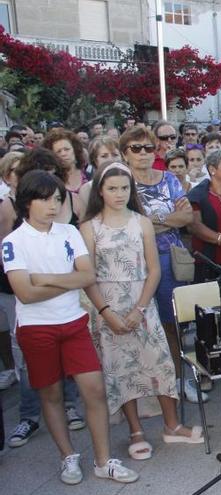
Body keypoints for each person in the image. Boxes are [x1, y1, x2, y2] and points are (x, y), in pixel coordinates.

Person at [2, 170, 139, 485]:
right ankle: (68, 456)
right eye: (44, 199)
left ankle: (103, 460)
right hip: (37, 328)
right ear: (27, 201)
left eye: (56, 199)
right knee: (50, 394)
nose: (52, 206)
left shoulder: (69, 233)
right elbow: (25, 293)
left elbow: (87, 276)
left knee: (94, 389)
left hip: (73, 322)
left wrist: (46, 279)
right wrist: (68, 282)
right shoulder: (13, 242)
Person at [80, 163, 203, 461]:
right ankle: (135, 430)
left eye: (125, 188)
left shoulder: (142, 222)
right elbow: (87, 277)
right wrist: (106, 312)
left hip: (142, 302)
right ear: (100, 191)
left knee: (159, 363)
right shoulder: (89, 228)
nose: (119, 194)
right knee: (121, 369)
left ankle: (172, 425)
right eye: (112, 188)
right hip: (107, 306)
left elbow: (154, 269)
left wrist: (141, 307)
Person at [119, 127, 199, 403]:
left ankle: (179, 380)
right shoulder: (120, 183)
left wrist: (149, 223)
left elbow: (186, 216)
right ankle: (146, 387)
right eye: (135, 148)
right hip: (132, 263)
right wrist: (166, 219)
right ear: (124, 153)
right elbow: (121, 223)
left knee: (171, 325)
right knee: (139, 326)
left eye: (148, 148)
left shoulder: (168, 179)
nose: (143, 153)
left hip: (168, 260)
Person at [187, 150, 221, 283]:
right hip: (209, 262)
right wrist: (220, 239)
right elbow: (194, 226)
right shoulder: (198, 195)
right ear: (212, 169)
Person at [43, 129, 90, 194]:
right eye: (58, 151)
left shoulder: (89, 175)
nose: (63, 154)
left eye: (67, 149)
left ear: (75, 150)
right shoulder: (51, 180)